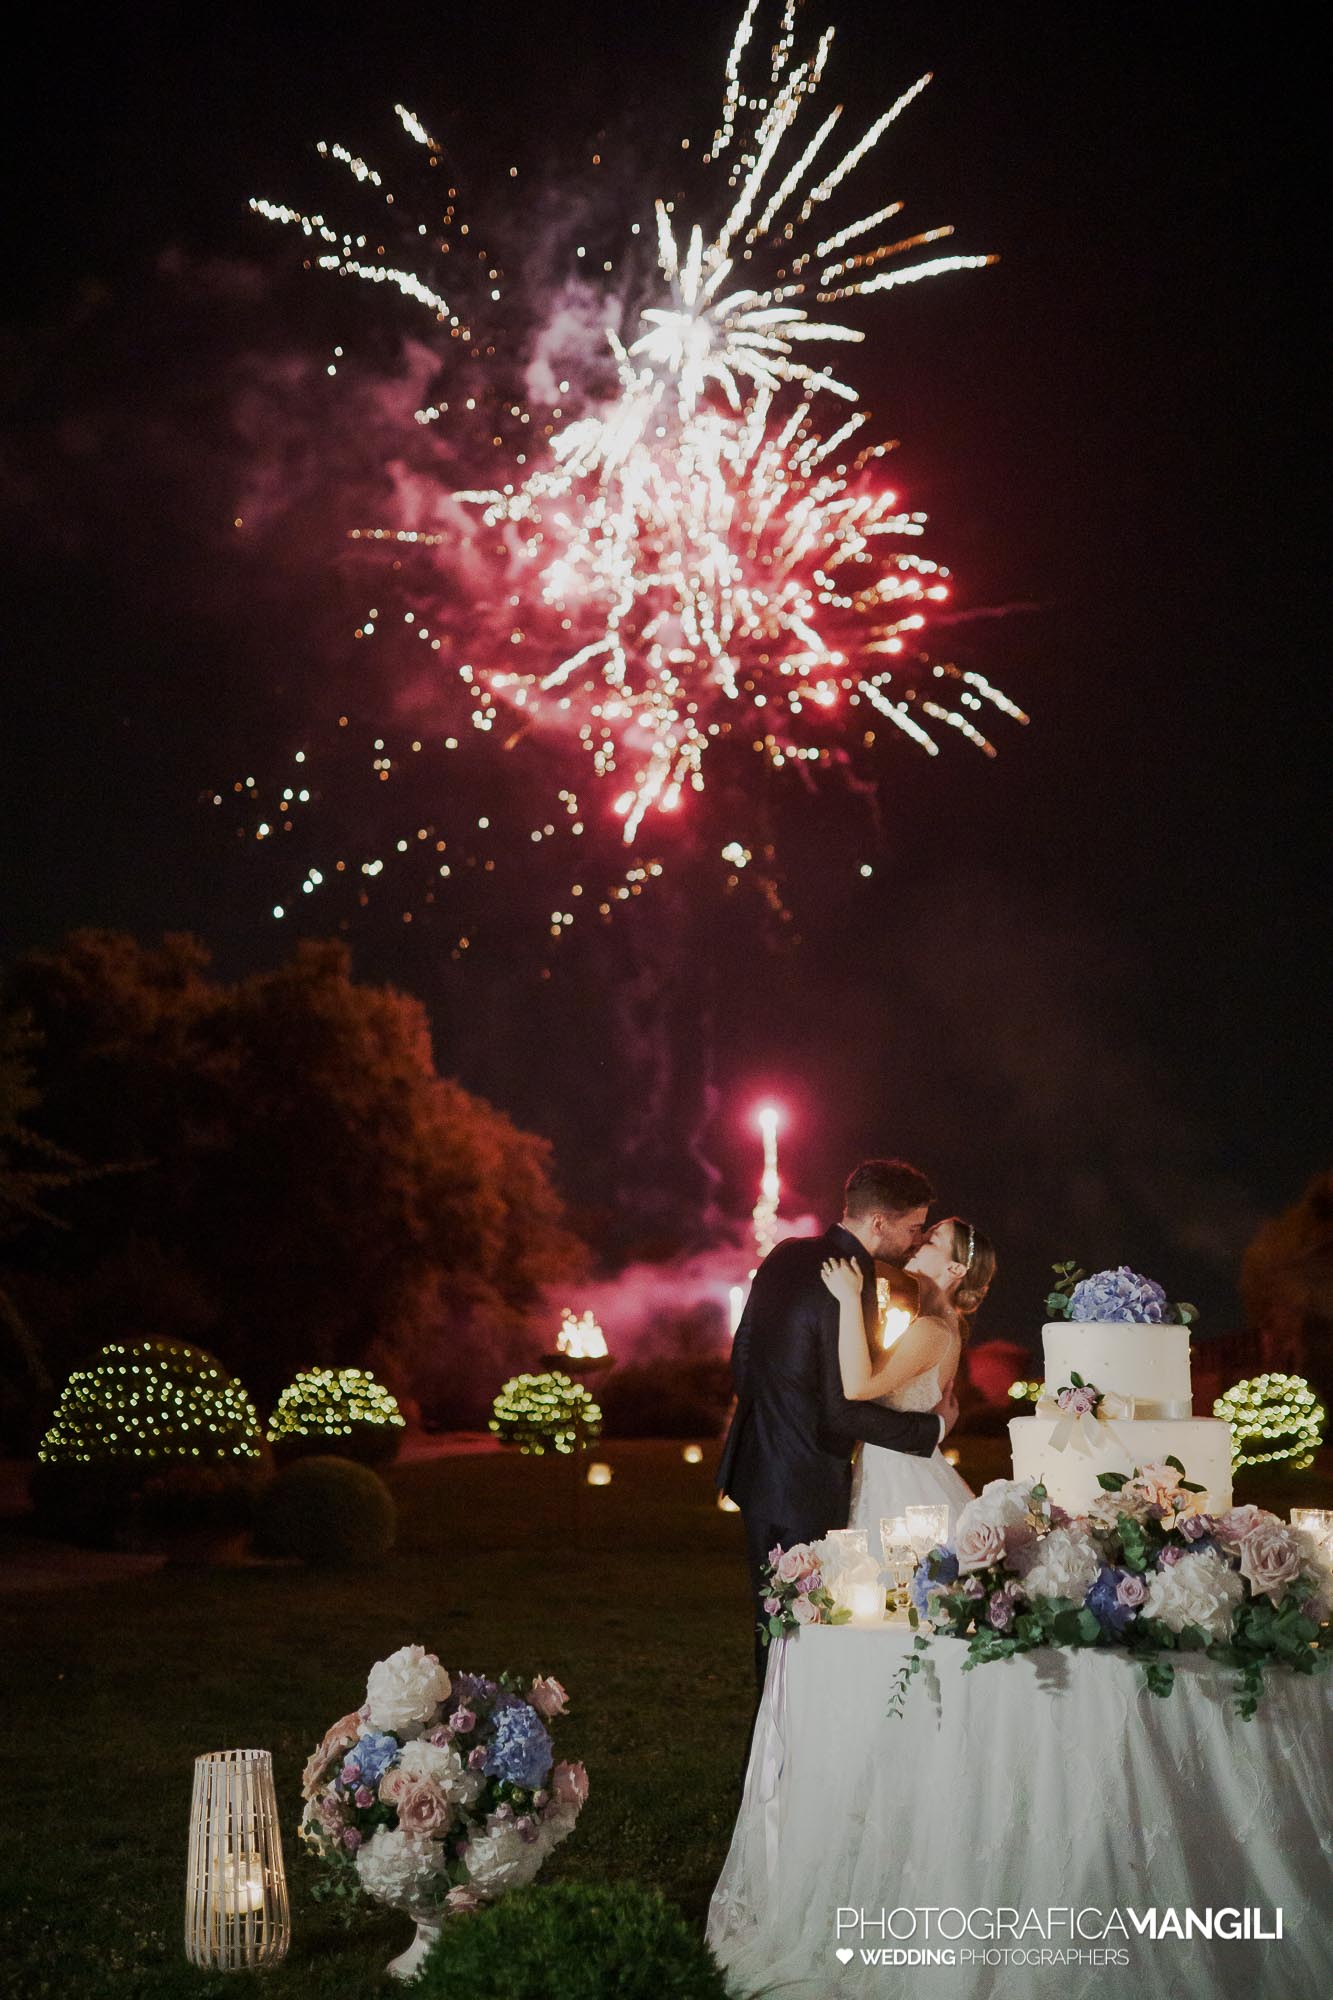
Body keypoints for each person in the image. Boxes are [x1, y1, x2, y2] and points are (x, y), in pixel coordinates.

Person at [716, 1159, 959, 1694]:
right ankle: (789, 1761)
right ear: (878, 1223)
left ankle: (767, 1765)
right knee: (804, 1636)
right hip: (808, 1482)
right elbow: (844, 1406)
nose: (915, 1240)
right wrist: (932, 1429)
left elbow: (743, 1358)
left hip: (758, 1471)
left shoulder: (785, 1253)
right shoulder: (855, 1275)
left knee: (770, 1630)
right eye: (913, 1226)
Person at [822, 1215, 996, 1539]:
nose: (916, 1242)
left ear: (956, 1270)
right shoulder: (939, 1323)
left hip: (897, 1481)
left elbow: (859, 1386)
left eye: (931, 1240)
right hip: (892, 1464)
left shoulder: (932, 1330)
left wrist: (848, 1299)